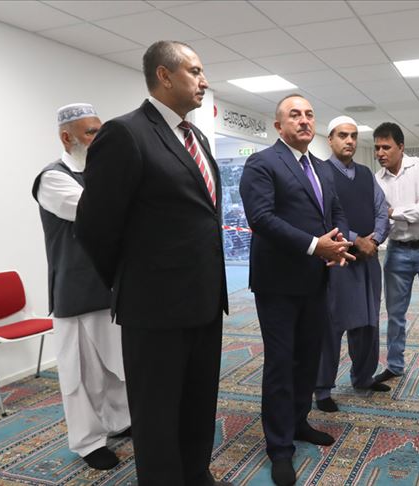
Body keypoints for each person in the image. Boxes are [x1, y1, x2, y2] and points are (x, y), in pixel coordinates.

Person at [74, 41, 231, 486]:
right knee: (158, 415)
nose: (204, 81)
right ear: (164, 75)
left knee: (198, 404)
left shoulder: (196, 137)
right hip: (154, 307)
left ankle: (197, 475)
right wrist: (133, 280)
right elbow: (94, 225)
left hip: (205, 300)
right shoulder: (125, 133)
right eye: (195, 71)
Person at [238, 94, 354, 486]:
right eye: (294, 115)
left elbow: (335, 212)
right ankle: (279, 446)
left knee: (308, 358)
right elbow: (261, 218)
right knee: (281, 363)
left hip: (315, 279)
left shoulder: (321, 167)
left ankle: (299, 422)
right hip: (278, 283)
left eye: (309, 114)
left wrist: (339, 243)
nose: (304, 120)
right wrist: (314, 245)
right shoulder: (262, 163)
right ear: (278, 125)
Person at [32, 103, 130, 470]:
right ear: (66, 137)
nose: (99, 139)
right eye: (91, 132)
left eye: (101, 131)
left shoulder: (99, 174)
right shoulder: (52, 178)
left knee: (117, 366)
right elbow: (98, 215)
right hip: (76, 293)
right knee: (82, 375)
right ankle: (88, 442)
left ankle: (119, 421)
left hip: (110, 288)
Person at [314, 116, 391, 413]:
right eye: (343, 135)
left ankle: (363, 377)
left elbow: (381, 209)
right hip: (338, 260)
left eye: (354, 136)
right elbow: (323, 217)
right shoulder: (319, 172)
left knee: (368, 321)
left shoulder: (366, 173)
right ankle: (323, 388)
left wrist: (375, 239)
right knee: (332, 324)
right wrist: (356, 239)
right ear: (330, 139)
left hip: (369, 260)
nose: (349, 141)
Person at [372, 122, 419, 393]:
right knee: (394, 314)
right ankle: (394, 365)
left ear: (401, 147)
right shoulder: (377, 179)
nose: (380, 153)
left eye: (386, 147)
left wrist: (392, 212)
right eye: (377, 148)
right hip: (398, 250)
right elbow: (380, 218)